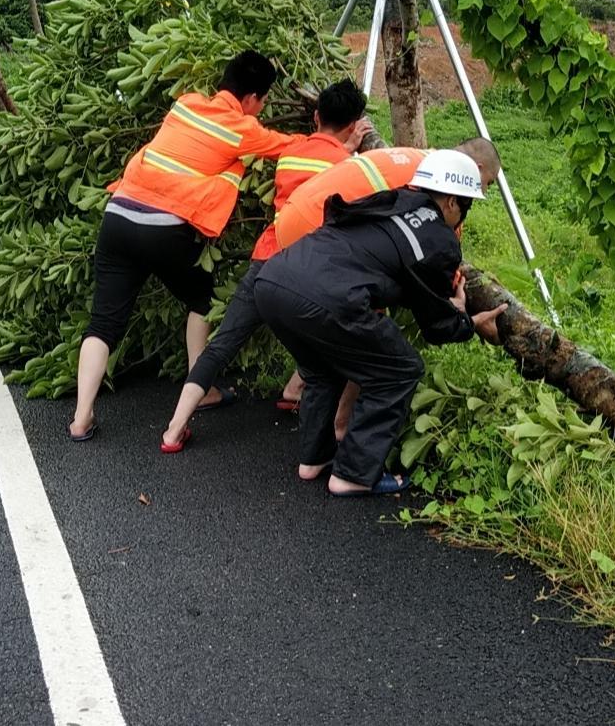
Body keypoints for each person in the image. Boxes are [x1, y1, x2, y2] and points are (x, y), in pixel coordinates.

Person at [69, 51, 303, 442]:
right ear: (251, 100)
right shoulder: (241, 128)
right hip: (164, 227)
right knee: (202, 297)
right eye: (261, 103)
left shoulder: (186, 104)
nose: (260, 111)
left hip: (119, 215)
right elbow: (291, 147)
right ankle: (203, 385)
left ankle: (81, 419)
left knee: (104, 322)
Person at [255, 150, 507, 496]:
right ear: (451, 202)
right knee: (399, 370)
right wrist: (467, 320)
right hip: (328, 297)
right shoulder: (440, 241)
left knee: (321, 371)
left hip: (274, 280)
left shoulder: (392, 199)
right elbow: (437, 327)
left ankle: (313, 460)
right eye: (467, 206)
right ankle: (354, 475)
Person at [157, 80, 374, 453]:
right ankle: (322, 415)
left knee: (224, 342)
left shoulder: (291, 155)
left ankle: (174, 429)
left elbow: (313, 170)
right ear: (355, 126)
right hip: (313, 268)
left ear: (316, 116)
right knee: (338, 334)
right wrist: (350, 153)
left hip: (267, 259)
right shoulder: (354, 169)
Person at [272, 137, 501, 250]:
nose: (483, 191)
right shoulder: (440, 185)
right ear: (476, 168)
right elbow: (442, 249)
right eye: (487, 183)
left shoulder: (417, 157)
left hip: (292, 215)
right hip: (312, 231)